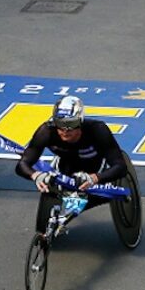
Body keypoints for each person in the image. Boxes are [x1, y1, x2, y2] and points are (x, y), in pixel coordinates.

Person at [16, 95, 128, 231]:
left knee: (99, 195)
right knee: (51, 189)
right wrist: (36, 176)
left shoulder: (98, 130)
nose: (65, 130)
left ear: (80, 122)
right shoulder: (46, 131)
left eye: (71, 125)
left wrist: (95, 178)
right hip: (65, 168)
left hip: (95, 172)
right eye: (60, 124)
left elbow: (121, 167)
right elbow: (22, 164)